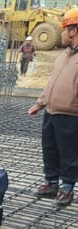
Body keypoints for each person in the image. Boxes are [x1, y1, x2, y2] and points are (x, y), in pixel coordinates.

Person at [28, 8, 78, 208]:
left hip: (71, 115)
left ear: (73, 30)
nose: (62, 35)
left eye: (65, 30)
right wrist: (39, 104)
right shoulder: (64, 55)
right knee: (49, 149)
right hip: (51, 112)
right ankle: (51, 183)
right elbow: (52, 83)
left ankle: (66, 187)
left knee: (69, 152)